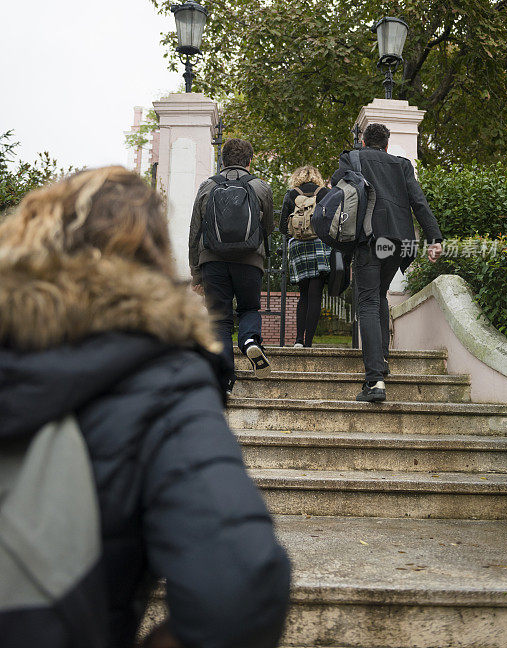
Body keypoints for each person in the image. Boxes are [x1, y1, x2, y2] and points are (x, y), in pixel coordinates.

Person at [0, 167, 290, 648]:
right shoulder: (164, 380)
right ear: (152, 256)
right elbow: (241, 590)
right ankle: (249, 338)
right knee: (242, 313)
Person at [332, 123, 443, 402]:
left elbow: (336, 188)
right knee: (379, 295)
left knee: (367, 301)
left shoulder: (353, 158)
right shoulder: (402, 165)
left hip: (369, 240)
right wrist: (434, 238)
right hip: (397, 241)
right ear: (386, 143)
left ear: (365, 141)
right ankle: (381, 359)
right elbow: (419, 202)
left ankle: (375, 382)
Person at [189, 138, 274, 387]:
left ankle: (225, 379)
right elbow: (267, 227)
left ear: (222, 161)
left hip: (213, 261)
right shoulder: (260, 187)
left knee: (220, 319)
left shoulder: (207, 186)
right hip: (249, 260)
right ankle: (249, 341)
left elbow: (195, 231)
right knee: (249, 308)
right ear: (249, 161)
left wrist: (196, 275)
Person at [280, 165, 331, 348]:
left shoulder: (291, 194)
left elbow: (282, 226)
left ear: (297, 178)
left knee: (303, 295)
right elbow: (330, 222)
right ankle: (308, 342)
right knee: (315, 295)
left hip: (298, 248)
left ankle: (298, 340)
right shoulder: (324, 192)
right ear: (317, 177)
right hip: (319, 246)